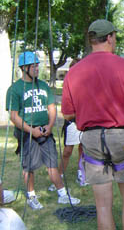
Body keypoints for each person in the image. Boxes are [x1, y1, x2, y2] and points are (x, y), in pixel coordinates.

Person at [61, 19, 124, 230]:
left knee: (102, 204)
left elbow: (67, 114)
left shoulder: (73, 72)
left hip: (92, 139)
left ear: (92, 40)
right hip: (122, 137)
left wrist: (88, 112)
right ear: (110, 38)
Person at [6, 51, 80, 210]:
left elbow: (52, 108)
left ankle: (62, 194)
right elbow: (14, 116)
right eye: (33, 66)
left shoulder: (44, 86)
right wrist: (31, 130)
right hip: (27, 134)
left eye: (37, 66)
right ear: (24, 68)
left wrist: (50, 125)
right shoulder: (15, 89)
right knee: (29, 166)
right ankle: (31, 196)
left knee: (52, 163)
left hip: (45, 132)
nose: (37, 69)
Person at [48, 59, 86, 192]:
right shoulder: (68, 84)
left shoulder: (88, 83)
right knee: (67, 151)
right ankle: (59, 177)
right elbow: (67, 107)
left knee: (83, 148)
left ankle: (81, 173)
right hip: (72, 122)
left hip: (85, 121)